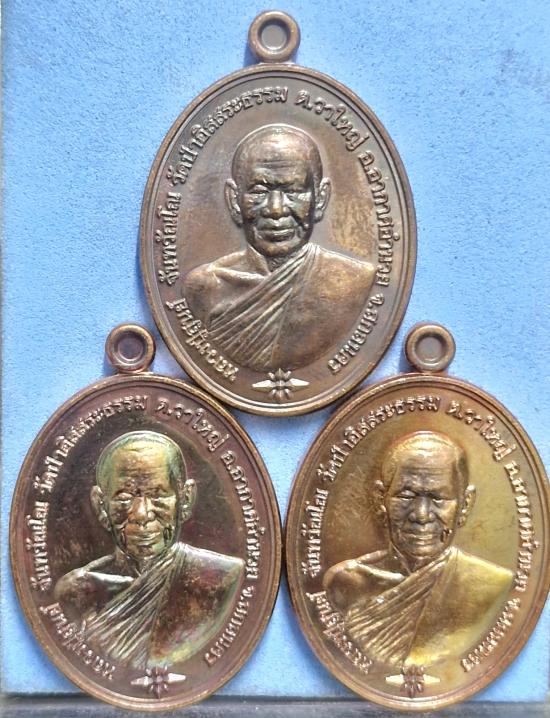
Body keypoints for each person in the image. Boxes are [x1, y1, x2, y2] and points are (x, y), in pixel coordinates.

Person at [183, 124, 374, 373]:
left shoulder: (353, 282)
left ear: (320, 199)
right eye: (259, 191)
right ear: (234, 200)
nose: (276, 210)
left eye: (293, 191)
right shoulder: (204, 287)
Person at [55, 431, 244, 670]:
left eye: (158, 495)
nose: (141, 514)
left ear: (185, 500)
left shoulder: (220, 580)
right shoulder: (77, 592)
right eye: (124, 497)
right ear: (101, 507)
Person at [324, 431, 514, 668]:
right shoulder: (345, 583)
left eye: (438, 498)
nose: (421, 515)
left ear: (465, 505)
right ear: (381, 499)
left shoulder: (492, 586)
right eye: (406, 496)